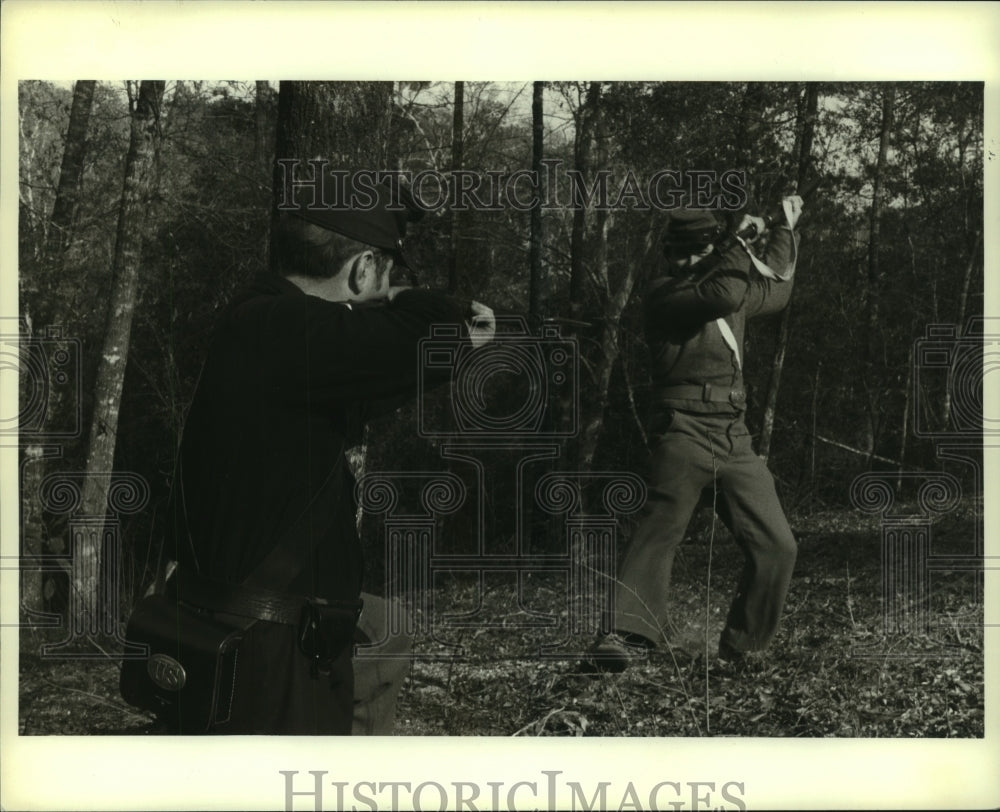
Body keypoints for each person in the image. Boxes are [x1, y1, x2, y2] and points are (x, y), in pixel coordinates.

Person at [164, 176, 495, 733]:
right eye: (386, 269)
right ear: (364, 267)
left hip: (255, 620)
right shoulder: (291, 329)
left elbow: (386, 369)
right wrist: (409, 298)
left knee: (388, 628)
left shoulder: (265, 320)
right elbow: (447, 330)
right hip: (269, 647)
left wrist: (392, 301)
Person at [588, 196, 803, 672]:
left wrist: (783, 229)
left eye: (695, 254)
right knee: (661, 527)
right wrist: (738, 243)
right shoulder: (666, 292)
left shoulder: (726, 280)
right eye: (679, 254)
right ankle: (622, 637)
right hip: (681, 428)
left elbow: (776, 291)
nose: (685, 262)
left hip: (734, 432)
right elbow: (724, 293)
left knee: (778, 545)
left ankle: (744, 648)